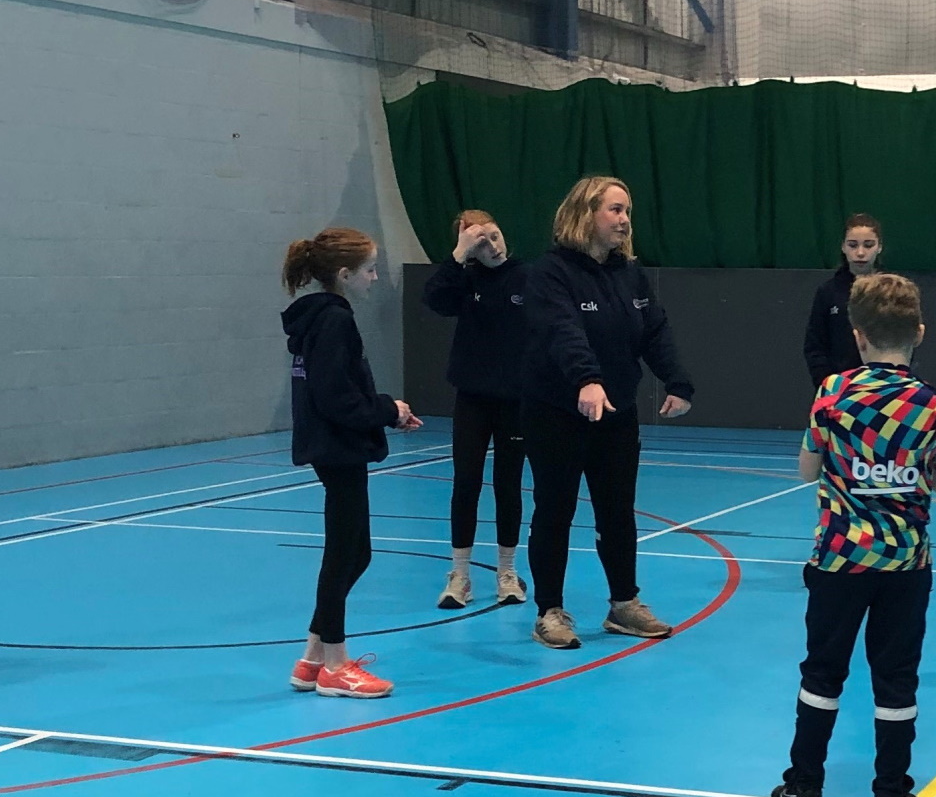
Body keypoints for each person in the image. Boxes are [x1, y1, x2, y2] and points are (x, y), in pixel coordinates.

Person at [771, 273, 936, 797]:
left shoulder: (831, 394)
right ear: (919, 333)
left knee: (823, 671)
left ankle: (804, 787)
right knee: (896, 677)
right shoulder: (934, 406)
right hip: (906, 566)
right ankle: (892, 796)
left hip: (838, 561)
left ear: (857, 336)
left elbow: (807, 470)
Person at [521, 177, 693, 650]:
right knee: (554, 509)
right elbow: (563, 331)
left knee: (617, 510)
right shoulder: (549, 274)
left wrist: (677, 381)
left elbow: (654, 331)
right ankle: (549, 611)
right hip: (556, 412)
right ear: (585, 214)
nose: (624, 220)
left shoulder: (631, 276)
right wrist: (585, 380)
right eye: (615, 210)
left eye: (628, 211)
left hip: (617, 414)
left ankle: (624, 604)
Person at [282, 227, 422, 698]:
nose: (375, 277)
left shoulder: (320, 318)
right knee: (344, 553)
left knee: (355, 552)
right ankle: (336, 666)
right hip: (337, 448)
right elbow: (337, 397)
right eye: (369, 270)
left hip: (335, 446)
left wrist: (386, 410)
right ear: (344, 274)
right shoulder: (333, 320)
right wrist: (388, 410)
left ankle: (311, 658)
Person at [422, 210, 528, 610]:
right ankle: (460, 574)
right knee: (466, 482)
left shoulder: (527, 278)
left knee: (508, 484)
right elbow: (434, 299)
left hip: (515, 401)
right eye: (481, 242)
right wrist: (458, 255)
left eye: (495, 236)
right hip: (472, 399)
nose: (492, 246)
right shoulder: (463, 282)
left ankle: (507, 571)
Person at [804, 213, 883, 387]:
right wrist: (827, 384)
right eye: (853, 245)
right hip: (838, 390)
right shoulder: (828, 292)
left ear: (879, 247)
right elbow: (815, 346)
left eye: (868, 245)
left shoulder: (889, 290)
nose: (860, 252)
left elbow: (901, 341)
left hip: (883, 389)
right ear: (843, 247)